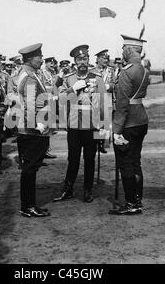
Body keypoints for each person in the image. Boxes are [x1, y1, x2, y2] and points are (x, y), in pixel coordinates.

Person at [53, 45, 106, 203]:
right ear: (75, 61)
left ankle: (87, 190)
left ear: (88, 60)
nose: (82, 62)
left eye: (85, 59)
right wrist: (72, 89)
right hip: (74, 126)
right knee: (73, 159)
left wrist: (103, 131)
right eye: (79, 59)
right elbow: (60, 99)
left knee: (90, 159)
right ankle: (68, 190)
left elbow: (104, 103)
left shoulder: (97, 79)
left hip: (92, 125)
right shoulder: (69, 79)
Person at [109, 35, 150, 216]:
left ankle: (131, 203)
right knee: (135, 162)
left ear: (130, 49)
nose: (122, 51)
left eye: (124, 48)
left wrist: (116, 131)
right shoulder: (143, 69)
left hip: (128, 123)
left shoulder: (126, 71)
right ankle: (137, 199)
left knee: (125, 164)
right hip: (141, 119)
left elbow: (122, 105)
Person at [17, 43, 52, 218]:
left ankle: (28, 204)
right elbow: (29, 105)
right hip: (32, 130)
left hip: (28, 128)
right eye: (39, 56)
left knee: (29, 168)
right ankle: (28, 206)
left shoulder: (26, 73)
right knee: (30, 169)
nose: (42, 59)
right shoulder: (30, 77)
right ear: (30, 59)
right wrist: (36, 125)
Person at [95, 49, 115, 154]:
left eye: (106, 58)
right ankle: (97, 142)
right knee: (97, 122)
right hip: (96, 98)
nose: (105, 60)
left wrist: (109, 86)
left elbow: (113, 84)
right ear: (97, 59)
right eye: (103, 58)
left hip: (107, 97)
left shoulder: (110, 70)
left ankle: (102, 142)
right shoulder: (93, 70)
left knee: (105, 122)